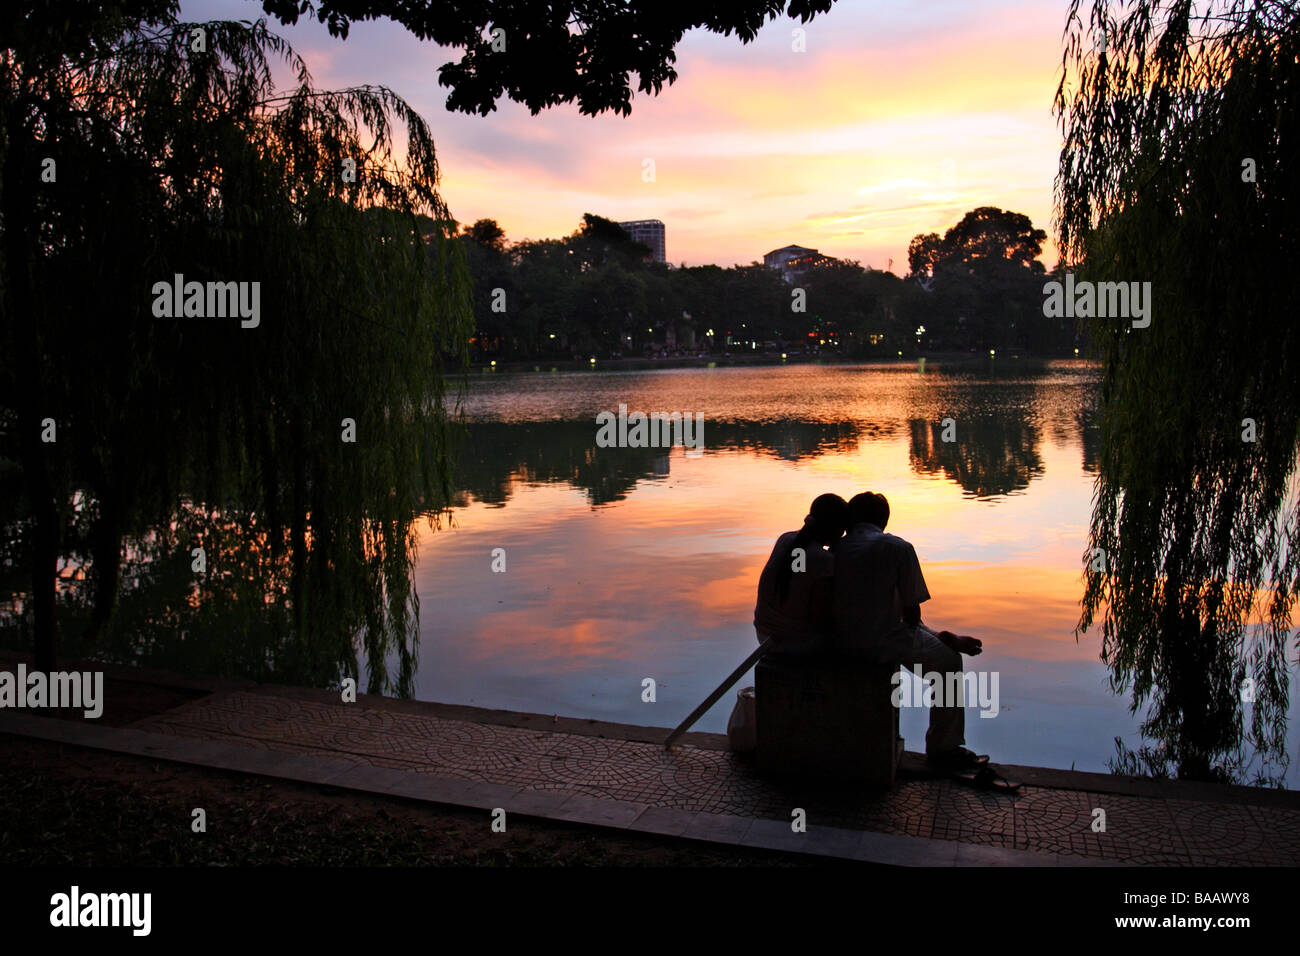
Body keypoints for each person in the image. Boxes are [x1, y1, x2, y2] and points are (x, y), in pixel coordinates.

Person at [831, 491, 985, 769]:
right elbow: (912, 615)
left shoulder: (836, 549)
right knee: (949, 663)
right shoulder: (898, 548)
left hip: (839, 642)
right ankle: (943, 748)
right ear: (884, 520)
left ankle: (939, 637)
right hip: (881, 644)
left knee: (904, 630)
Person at [753, 493, 850, 657]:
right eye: (843, 528)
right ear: (835, 527)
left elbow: (798, 577)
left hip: (764, 635)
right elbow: (821, 617)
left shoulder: (785, 539)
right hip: (794, 643)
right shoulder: (823, 560)